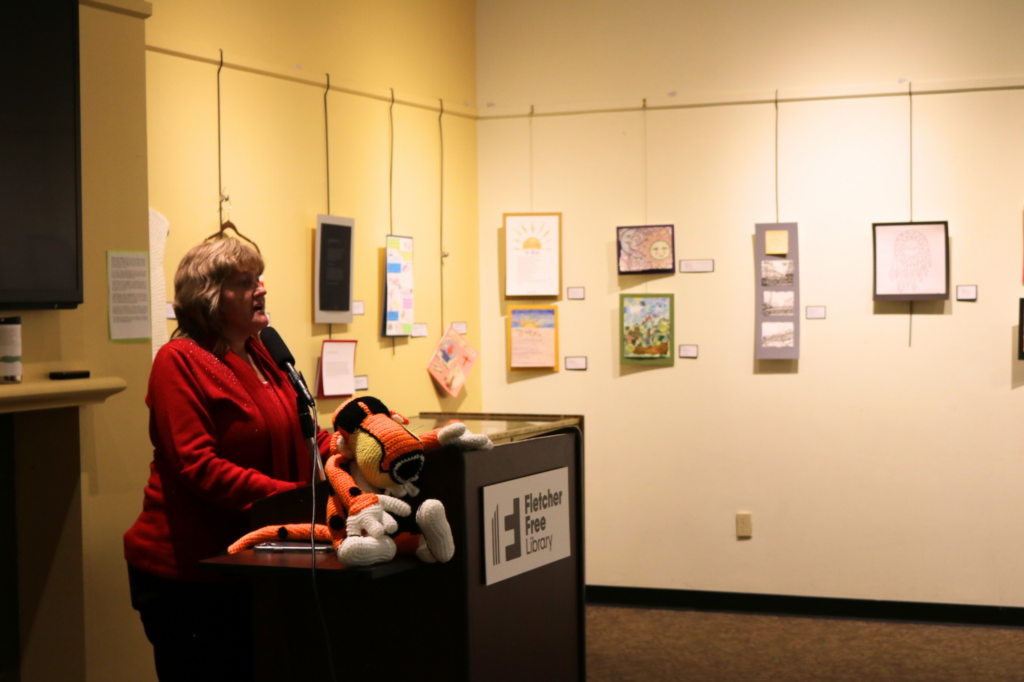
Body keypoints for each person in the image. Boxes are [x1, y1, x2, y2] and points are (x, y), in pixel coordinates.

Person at [123, 237, 330, 681]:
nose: (262, 289)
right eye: (246, 282)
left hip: (261, 562)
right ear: (212, 298)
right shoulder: (179, 361)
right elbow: (199, 465)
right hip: (193, 577)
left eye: (258, 279)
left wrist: (354, 446)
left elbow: (304, 431)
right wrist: (295, 500)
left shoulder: (263, 351)